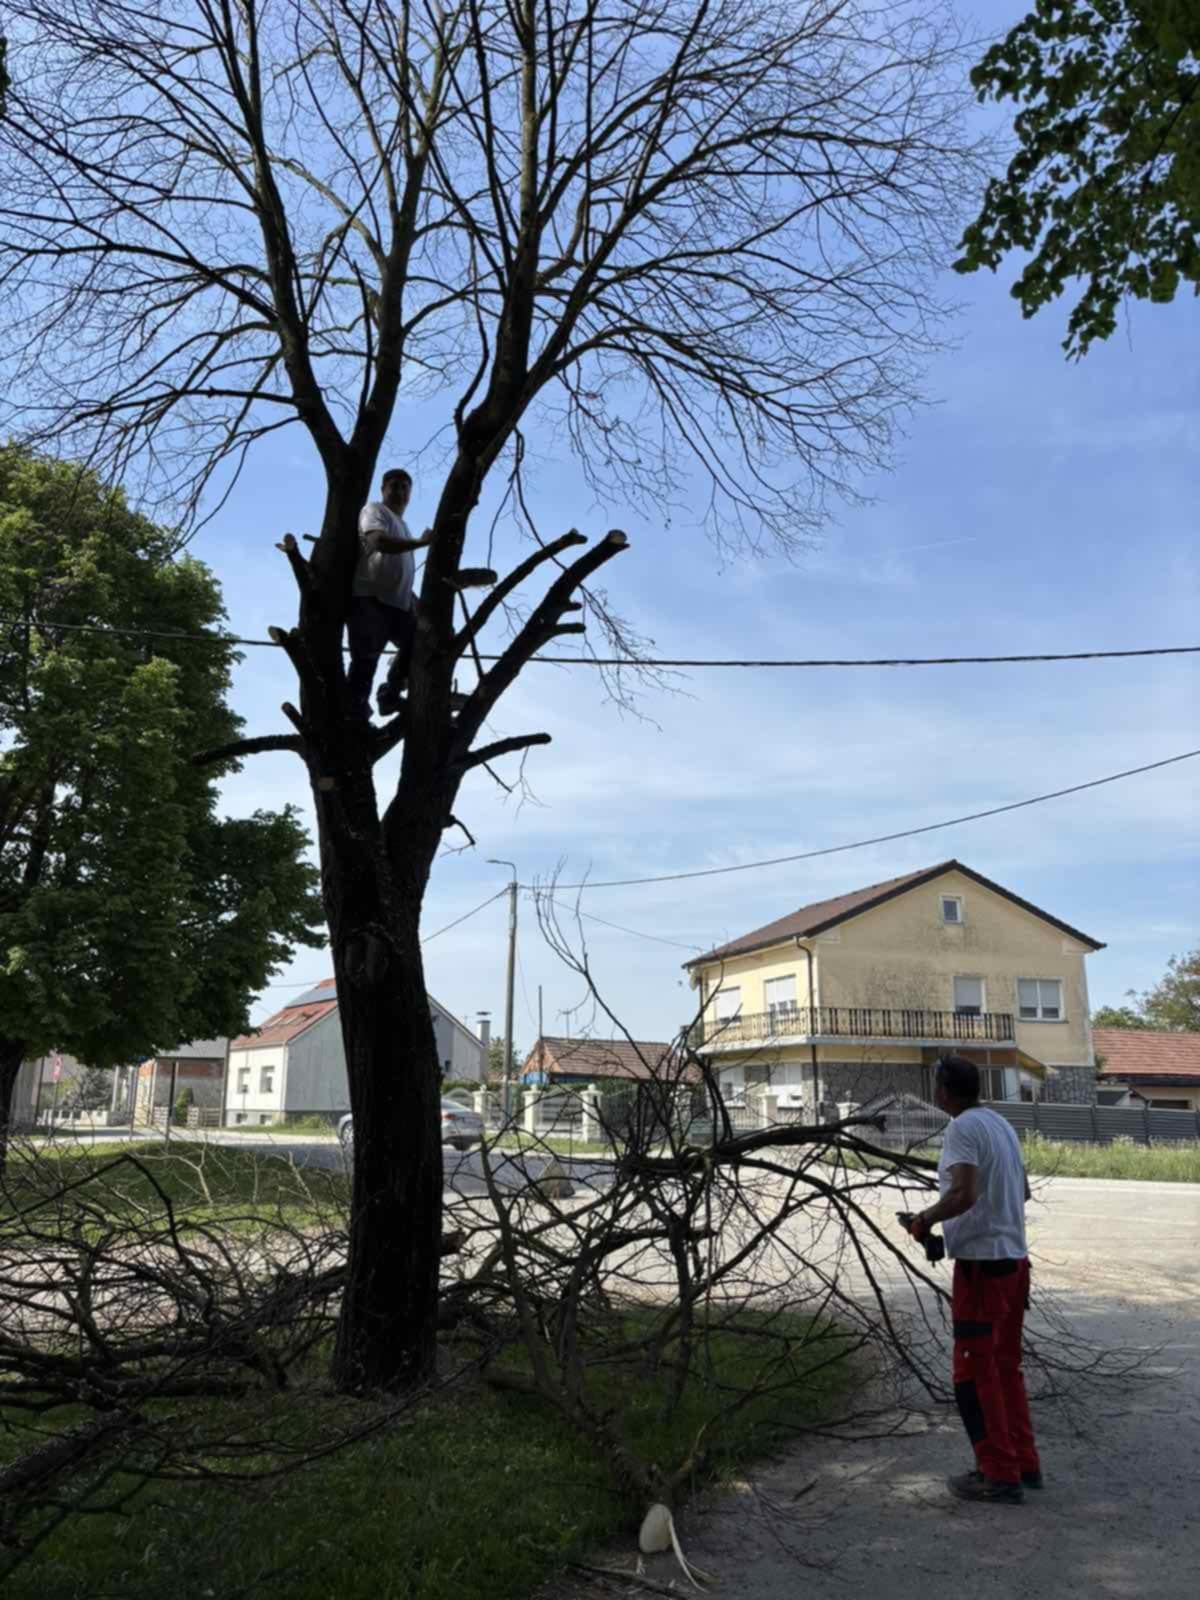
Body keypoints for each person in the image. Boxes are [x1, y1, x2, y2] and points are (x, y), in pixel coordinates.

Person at [904, 1053, 1042, 1505]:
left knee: (973, 1374)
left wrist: (926, 1219)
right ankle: (1023, 1463)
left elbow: (963, 1193)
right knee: (1005, 1369)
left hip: (983, 1271)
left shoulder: (962, 1127)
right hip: (1013, 1261)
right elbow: (1019, 1192)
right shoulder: (1000, 1124)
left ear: (943, 1091)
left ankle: (998, 1474)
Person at [347, 468, 432, 721]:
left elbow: (399, 568)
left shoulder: (403, 525)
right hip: (370, 600)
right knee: (365, 665)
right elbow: (379, 542)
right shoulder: (375, 511)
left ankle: (390, 695)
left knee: (418, 645)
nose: (400, 491)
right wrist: (420, 543)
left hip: (398, 605)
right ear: (383, 490)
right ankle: (354, 720)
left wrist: (413, 600)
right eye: (394, 486)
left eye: (405, 487)